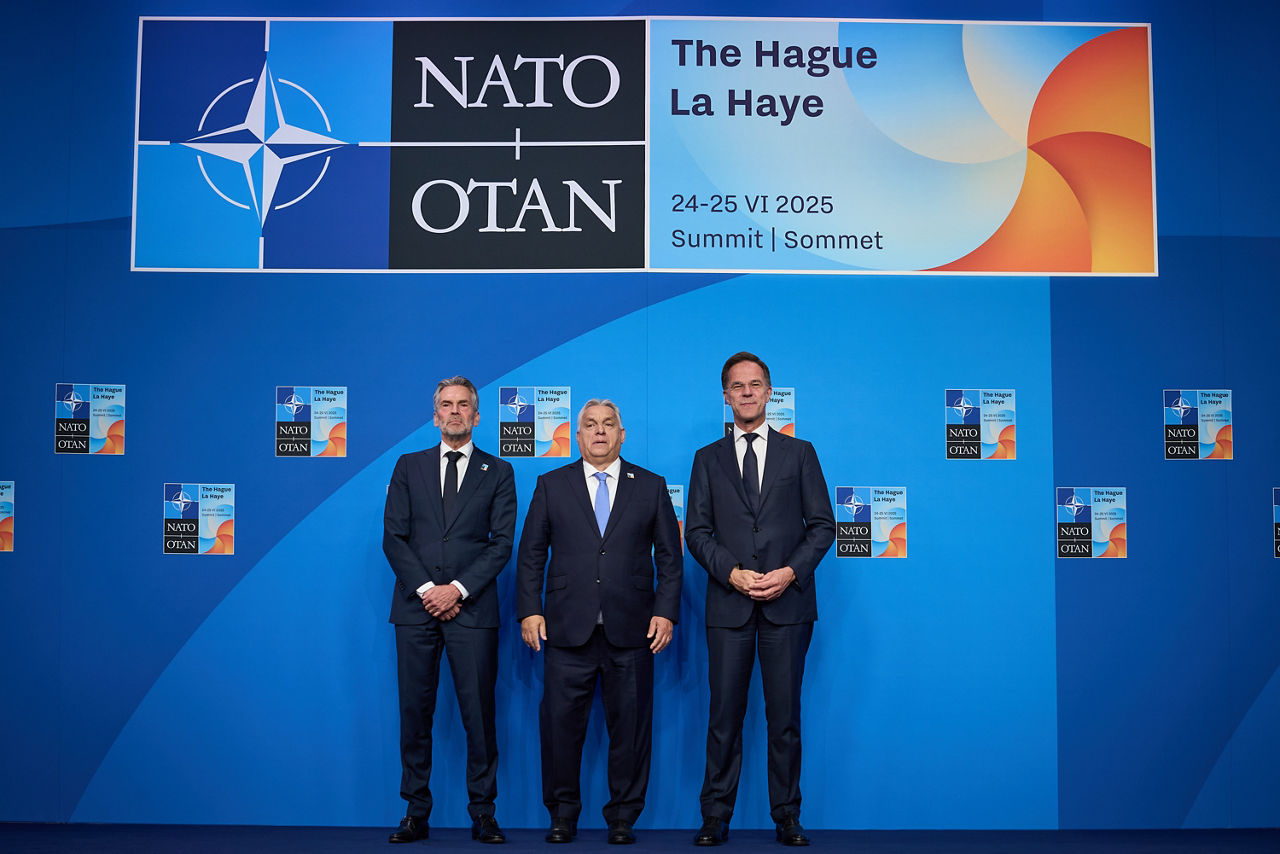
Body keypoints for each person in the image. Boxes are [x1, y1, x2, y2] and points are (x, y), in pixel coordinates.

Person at [685, 353, 835, 847]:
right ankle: (715, 816)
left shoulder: (801, 453)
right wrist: (732, 572)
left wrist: (789, 573)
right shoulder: (707, 459)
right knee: (723, 717)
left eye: (755, 385)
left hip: (787, 606)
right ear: (725, 396)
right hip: (729, 606)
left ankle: (787, 816)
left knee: (784, 717)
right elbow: (698, 532)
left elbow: (823, 527)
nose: (747, 393)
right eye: (736, 386)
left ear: (770, 392)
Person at [516, 399, 682, 845]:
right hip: (567, 629)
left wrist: (665, 611)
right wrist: (530, 609)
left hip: (632, 630)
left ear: (622, 434)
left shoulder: (650, 486)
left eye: (609, 424)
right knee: (559, 729)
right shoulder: (552, 484)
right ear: (578, 434)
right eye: (590, 425)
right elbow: (531, 554)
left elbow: (670, 558)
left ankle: (623, 817)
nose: (600, 432)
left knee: (629, 730)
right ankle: (562, 815)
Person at [383, 376, 516, 844]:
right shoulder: (408, 466)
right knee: (414, 713)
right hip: (416, 610)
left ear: (477, 416)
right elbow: (393, 538)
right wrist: (428, 590)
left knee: (478, 715)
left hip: (472, 611)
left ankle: (484, 812)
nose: (454, 411)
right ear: (434, 414)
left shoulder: (498, 472)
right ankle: (415, 811)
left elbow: (501, 546)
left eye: (463, 405)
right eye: (446, 404)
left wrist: (456, 590)